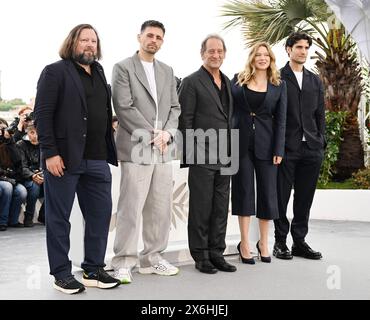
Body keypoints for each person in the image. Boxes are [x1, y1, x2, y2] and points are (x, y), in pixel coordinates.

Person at [34, 24, 120, 294]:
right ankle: (61, 273)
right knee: (59, 218)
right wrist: (50, 153)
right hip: (64, 159)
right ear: (72, 43)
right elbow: (43, 115)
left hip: (97, 158)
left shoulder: (99, 72)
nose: (89, 45)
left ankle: (93, 269)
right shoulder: (55, 72)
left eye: (94, 41)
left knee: (100, 215)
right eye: (84, 40)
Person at [111, 20, 181, 284]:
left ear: (162, 41)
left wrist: (168, 133)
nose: (154, 40)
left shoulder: (167, 70)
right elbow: (124, 106)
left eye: (159, 37)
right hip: (137, 146)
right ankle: (124, 262)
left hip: (163, 147)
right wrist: (152, 134)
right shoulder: (123, 68)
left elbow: (175, 108)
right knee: (131, 207)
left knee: (160, 207)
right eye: (149, 35)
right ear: (139, 37)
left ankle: (152, 259)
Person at [178, 34, 236, 274]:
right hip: (201, 156)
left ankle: (216, 253)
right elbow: (185, 121)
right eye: (211, 51)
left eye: (220, 51)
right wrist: (191, 155)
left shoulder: (228, 82)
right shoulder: (191, 82)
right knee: (201, 208)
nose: (216, 55)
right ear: (202, 53)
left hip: (226, 154)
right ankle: (200, 256)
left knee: (221, 207)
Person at [231, 42, 287, 264]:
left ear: (271, 59)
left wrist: (279, 149)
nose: (262, 58)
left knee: (267, 193)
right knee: (243, 191)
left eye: (266, 55)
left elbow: (281, 119)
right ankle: (244, 242)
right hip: (241, 144)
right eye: (258, 54)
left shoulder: (278, 85)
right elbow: (228, 108)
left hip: (268, 146)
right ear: (252, 58)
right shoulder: (238, 79)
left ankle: (263, 242)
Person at [273, 32, 325, 260]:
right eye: (299, 47)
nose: (303, 51)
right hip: (286, 148)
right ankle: (280, 242)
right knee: (281, 196)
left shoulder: (315, 80)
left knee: (305, 198)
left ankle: (299, 241)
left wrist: (320, 141)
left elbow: (320, 114)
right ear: (288, 49)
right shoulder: (277, 77)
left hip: (311, 149)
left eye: (306, 48)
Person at [0, 118, 27, 231]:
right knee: (7, 187)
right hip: (3, 178)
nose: (2, 131)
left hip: (10, 178)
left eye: (3, 129)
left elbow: (17, 160)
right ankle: (3, 221)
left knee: (22, 192)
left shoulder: (9, 143)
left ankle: (13, 220)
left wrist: (9, 141)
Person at [17, 122, 45, 227]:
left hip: (42, 175)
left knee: (53, 185)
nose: (35, 136)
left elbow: (46, 163)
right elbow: (21, 167)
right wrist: (33, 175)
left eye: (37, 133)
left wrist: (42, 174)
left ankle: (43, 215)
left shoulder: (44, 143)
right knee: (34, 187)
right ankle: (29, 216)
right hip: (26, 177)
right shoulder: (20, 145)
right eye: (32, 132)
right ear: (27, 132)